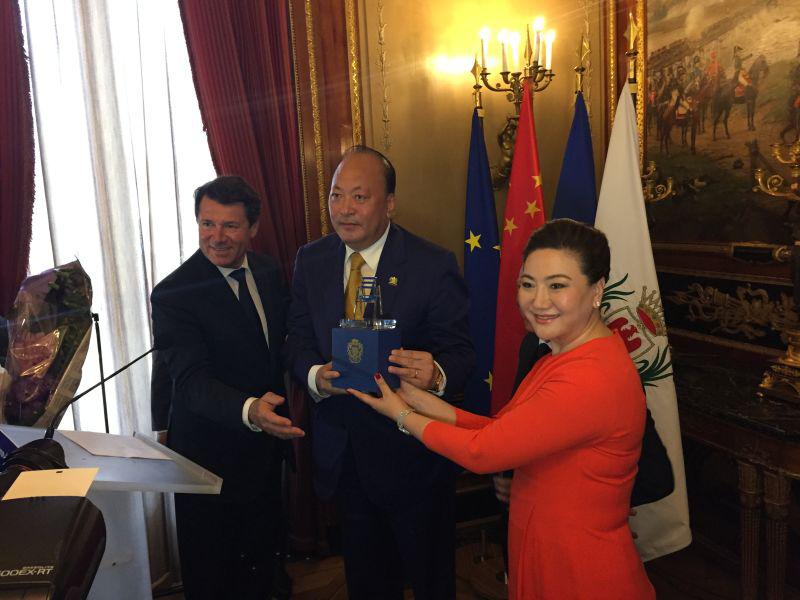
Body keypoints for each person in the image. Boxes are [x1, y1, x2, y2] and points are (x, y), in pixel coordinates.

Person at [349, 219, 655, 599]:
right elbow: (504, 428)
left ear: (596, 291)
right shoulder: (561, 356)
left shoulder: (590, 375)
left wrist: (401, 415)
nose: (537, 301)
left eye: (557, 285)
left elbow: (483, 451)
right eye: (528, 284)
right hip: (547, 545)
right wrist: (419, 400)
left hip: (579, 563)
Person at [284, 146, 475, 599]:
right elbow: (295, 338)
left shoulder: (432, 264)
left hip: (414, 455)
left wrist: (437, 373)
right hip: (345, 454)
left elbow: (462, 352)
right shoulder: (311, 260)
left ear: (389, 203)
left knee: (431, 581)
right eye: (336, 196)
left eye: (359, 197)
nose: (344, 209)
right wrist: (314, 375)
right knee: (367, 582)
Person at [150, 175, 303, 600]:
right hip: (207, 457)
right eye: (207, 223)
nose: (216, 237)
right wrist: (250, 410)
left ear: (253, 228)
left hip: (266, 449)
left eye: (230, 226)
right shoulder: (173, 294)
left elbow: (281, 345)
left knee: (262, 557)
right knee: (213, 573)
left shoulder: (269, 271)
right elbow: (191, 382)